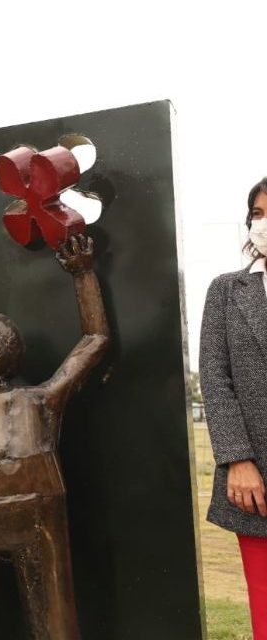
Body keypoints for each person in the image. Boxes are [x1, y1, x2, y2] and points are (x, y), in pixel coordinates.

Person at [0, 234, 109, 639]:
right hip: (30, 521)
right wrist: (83, 273)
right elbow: (95, 340)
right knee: (54, 621)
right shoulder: (39, 401)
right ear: (17, 350)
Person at [200, 176, 267, 640]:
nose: (263, 223)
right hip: (257, 480)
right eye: (258, 214)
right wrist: (237, 458)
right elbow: (215, 378)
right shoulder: (228, 292)